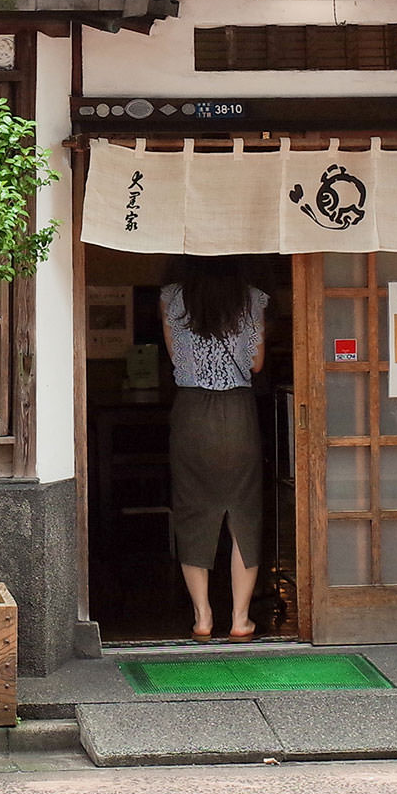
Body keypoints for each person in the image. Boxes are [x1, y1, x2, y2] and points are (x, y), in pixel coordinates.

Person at [159, 256, 267, 643]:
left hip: (190, 412)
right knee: (244, 512)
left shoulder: (172, 298)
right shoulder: (252, 299)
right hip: (237, 412)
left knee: (193, 510)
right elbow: (256, 363)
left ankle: (202, 617)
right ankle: (240, 619)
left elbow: (175, 356)